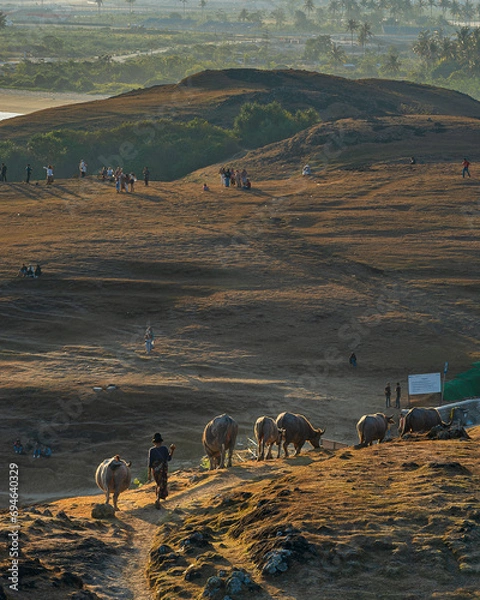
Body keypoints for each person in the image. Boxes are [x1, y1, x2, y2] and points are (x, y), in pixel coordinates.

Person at [147, 432, 175, 509]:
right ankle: (158, 499)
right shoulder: (164, 449)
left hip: (155, 470)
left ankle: (158, 498)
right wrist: (172, 450)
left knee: (158, 483)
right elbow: (169, 459)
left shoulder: (151, 450)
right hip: (163, 468)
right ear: (161, 441)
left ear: (154, 442)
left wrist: (149, 474)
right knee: (162, 483)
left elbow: (150, 463)